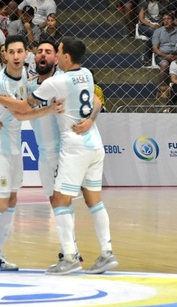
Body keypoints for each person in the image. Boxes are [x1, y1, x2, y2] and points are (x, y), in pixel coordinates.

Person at [0, 40, 102, 266]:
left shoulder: (64, 82)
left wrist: (90, 120)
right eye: (40, 52)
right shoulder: (29, 85)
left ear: (57, 57)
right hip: (44, 153)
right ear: (34, 57)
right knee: (56, 201)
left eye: (48, 52)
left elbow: (96, 99)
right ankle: (70, 251)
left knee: (63, 201)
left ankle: (71, 252)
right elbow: (18, 107)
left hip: (65, 151)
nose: (43, 55)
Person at [0, 35, 59, 272]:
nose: (16, 56)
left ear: (26, 54)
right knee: (0, 201)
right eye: (11, 52)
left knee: (12, 201)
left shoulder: (26, 76)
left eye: (20, 51)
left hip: (14, 145)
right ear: (4, 54)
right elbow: (21, 112)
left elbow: (25, 101)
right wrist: (50, 109)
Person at [32, 37, 118, 275]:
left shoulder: (57, 81)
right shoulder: (88, 74)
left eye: (56, 52)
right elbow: (96, 101)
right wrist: (90, 119)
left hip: (74, 147)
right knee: (94, 201)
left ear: (66, 57)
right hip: (95, 144)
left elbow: (27, 103)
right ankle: (106, 252)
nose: (54, 56)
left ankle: (69, 256)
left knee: (60, 201)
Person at [152, 12, 177, 77]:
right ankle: (164, 86)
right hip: (161, 56)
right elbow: (155, 49)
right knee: (164, 64)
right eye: (164, 19)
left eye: (168, 19)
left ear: (173, 20)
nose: (166, 21)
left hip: (176, 56)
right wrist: (166, 56)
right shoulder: (158, 31)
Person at [137, 0, 165, 66]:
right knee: (154, 34)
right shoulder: (144, 2)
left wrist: (159, 25)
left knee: (156, 34)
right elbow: (141, 19)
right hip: (145, 25)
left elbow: (164, 17)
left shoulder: (162, 3)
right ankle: (146, 58)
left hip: (158, 25)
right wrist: (151, 25)